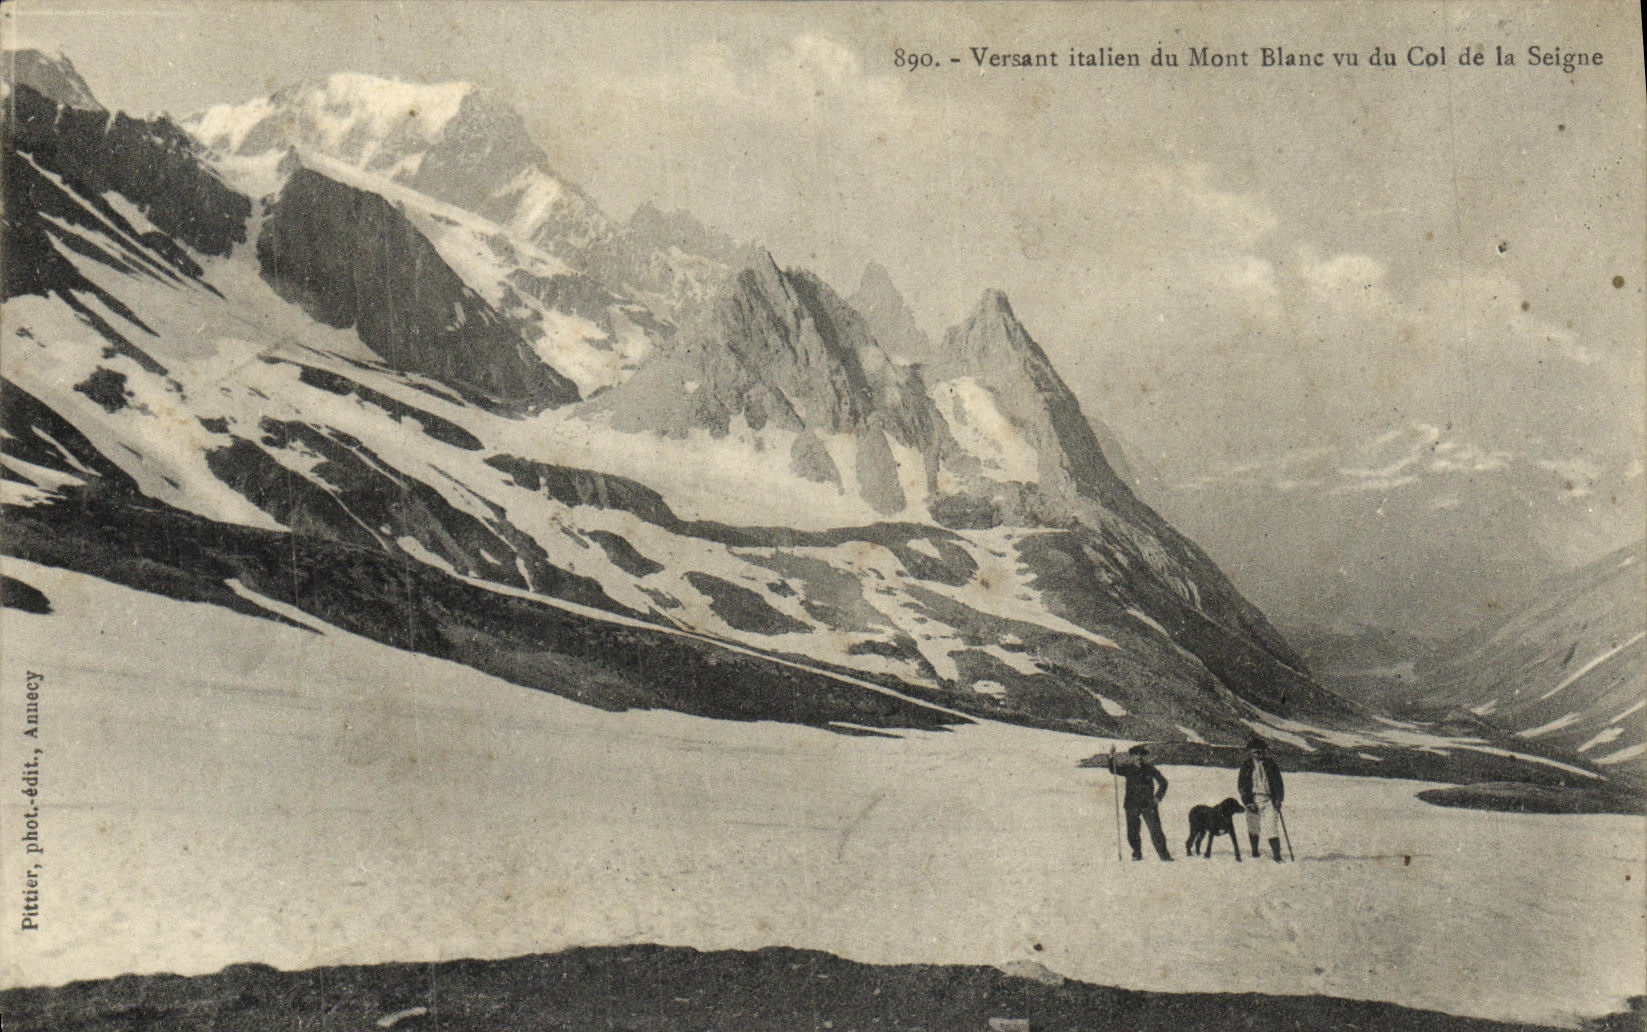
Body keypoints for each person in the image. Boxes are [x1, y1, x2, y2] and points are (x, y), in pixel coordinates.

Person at [1108, 743, 1173, 861]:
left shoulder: (1150, 769)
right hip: (1131, 805)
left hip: (1149, 805)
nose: (1138, 758)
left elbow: (1164, 782)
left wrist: (1158, 797)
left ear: (1143, 757)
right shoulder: (1128, 769)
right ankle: (1137, 853)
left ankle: (1164, 855)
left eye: (1140, 756)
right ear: (1131, 757)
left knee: (1155, 831)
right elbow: (1113, 769)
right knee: (1132, 831)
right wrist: (1111, 756)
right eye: (1135, 755)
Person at [1238, 736, 1286, 862]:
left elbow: (1278, 784)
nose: (1258, 754)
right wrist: (1248, 802)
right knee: (1253, 826)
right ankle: (1254, 852)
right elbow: (1242, 785)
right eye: (1255, 751)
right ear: (1250, 752)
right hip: (1253, 799)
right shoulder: (1246, 766)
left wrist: (1278, 800)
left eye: (1261, 751)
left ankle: (1277, 856)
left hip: (1269, 799)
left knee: (1271, 827)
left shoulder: (1271, 765)